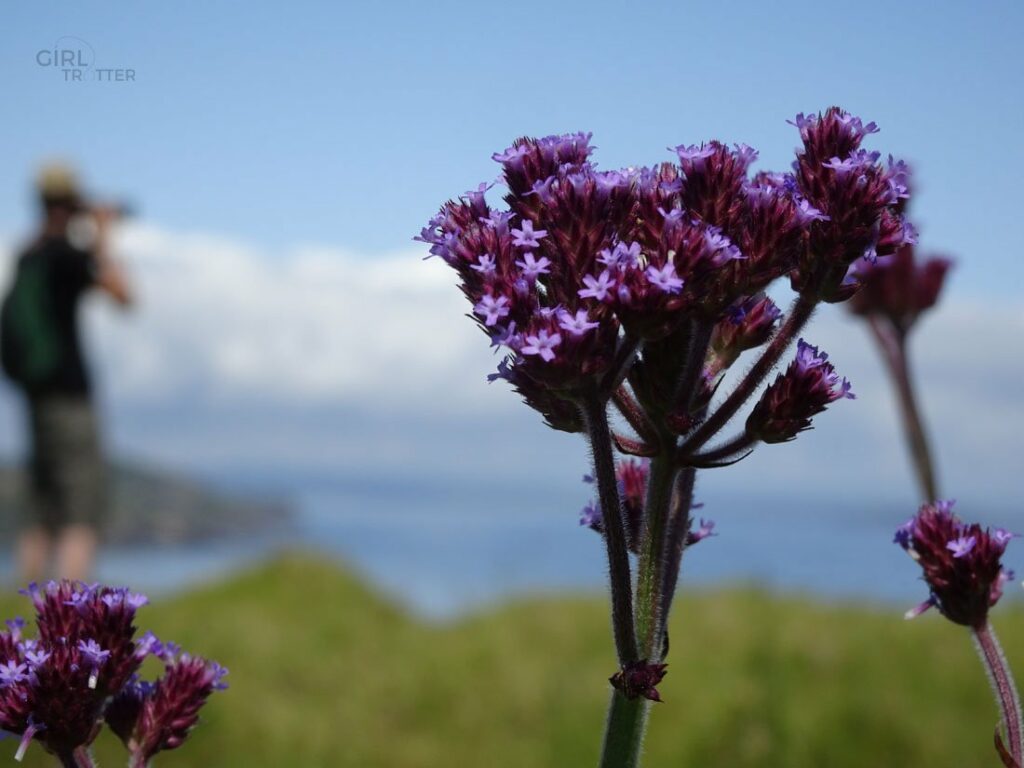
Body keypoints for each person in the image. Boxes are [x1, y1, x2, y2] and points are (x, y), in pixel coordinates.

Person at [2, 163, 133, 582]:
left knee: (43, 507)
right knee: (81, 508)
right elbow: (123, 295)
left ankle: (25, 619)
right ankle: (73, 624)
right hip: (71, 396)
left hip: (35, 395)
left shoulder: (30, 254)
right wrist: (102, 233)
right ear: (73, 202)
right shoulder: (68, 256)